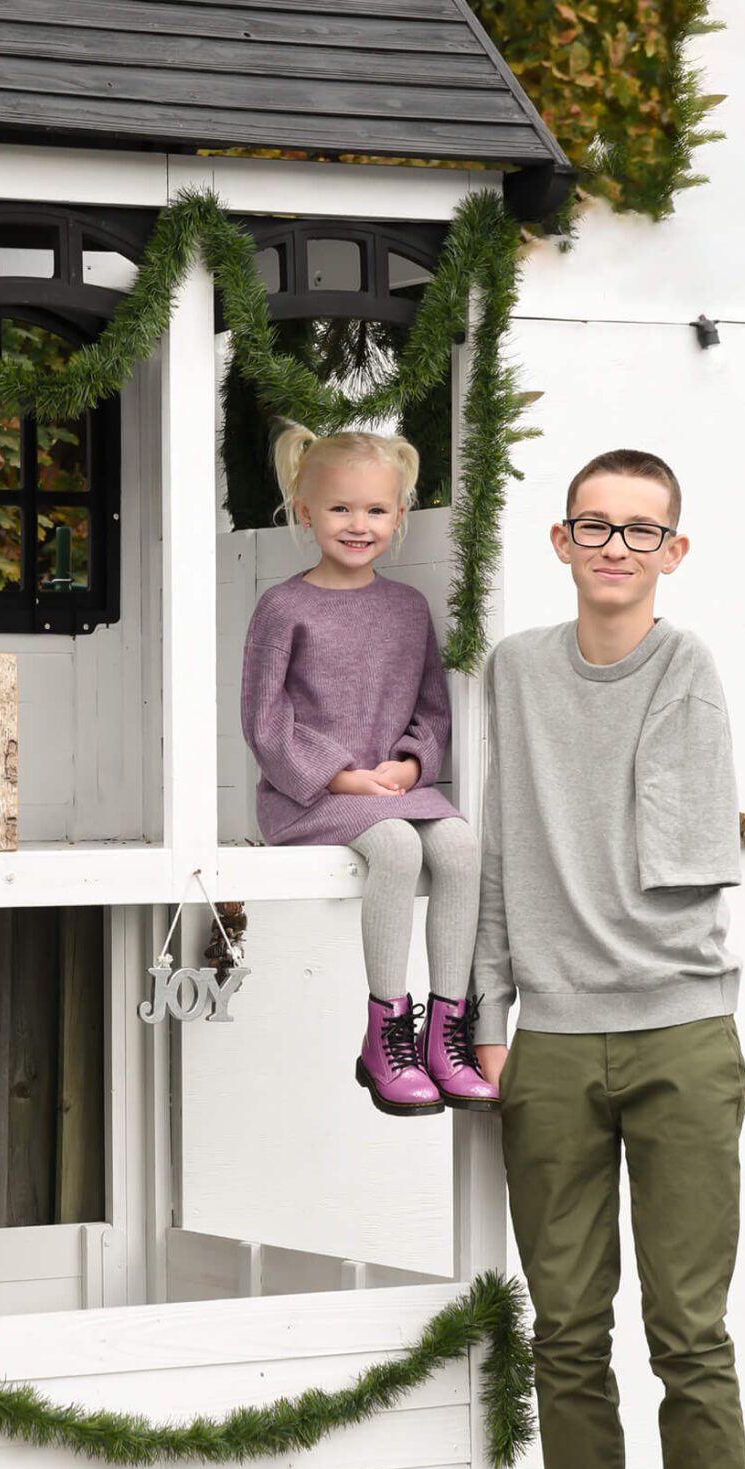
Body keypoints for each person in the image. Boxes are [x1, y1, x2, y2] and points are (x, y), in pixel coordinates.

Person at [472, 448, 745, 1469]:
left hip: (682, 1029)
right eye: (595, 526)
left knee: (687, 1332)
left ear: (673, 553)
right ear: (560, 539)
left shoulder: (684, 665)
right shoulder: (514, 671)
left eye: (642, 532)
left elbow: (681, 848)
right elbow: (491, 843)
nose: (616, 549)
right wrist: (489, 1003)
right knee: (565, 1332)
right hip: (549, 1037)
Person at [240, 426, 496, 1118]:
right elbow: (266, 724)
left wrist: (413, 761)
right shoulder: (284, 608)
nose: (359, 525)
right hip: (311, 797)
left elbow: (432, 708)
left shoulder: (408, 609)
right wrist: (341, 777)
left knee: (461, 844)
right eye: (341, 509)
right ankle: (387, 1032)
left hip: (395, 788)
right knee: (396, 846)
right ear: (304, 511)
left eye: (377, 511)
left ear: (400, 517)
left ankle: (447, 1031)